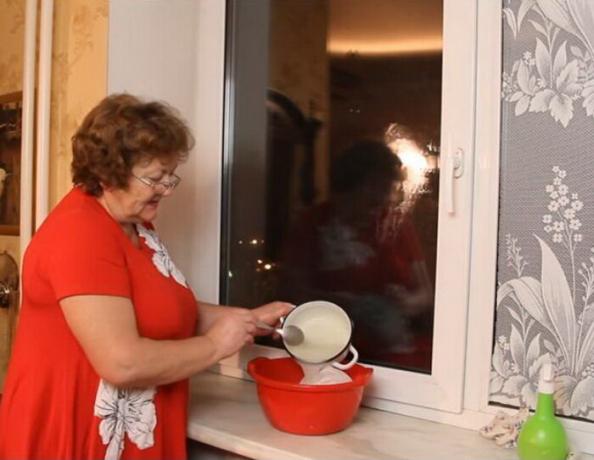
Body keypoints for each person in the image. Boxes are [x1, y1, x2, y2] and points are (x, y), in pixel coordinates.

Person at [0, 94, 292, 460]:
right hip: (74, 434)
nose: (167, 188)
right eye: (156, 177)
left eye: (171, 175)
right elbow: (122, 363)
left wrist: (242, 320)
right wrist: (217, 346)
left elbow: (156, 309)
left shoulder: (136, 226)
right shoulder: (80, 234)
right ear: (108, 174)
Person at [281, 140, 432, 362]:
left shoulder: (396, 223)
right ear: (345, 188)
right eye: (372, 190)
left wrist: (405, 303)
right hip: (328, 350)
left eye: (385, 189)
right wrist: (344, 304)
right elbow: (290, 294)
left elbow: (426, 295)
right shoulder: (312, 223)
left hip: (395, 354)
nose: (381, 200)